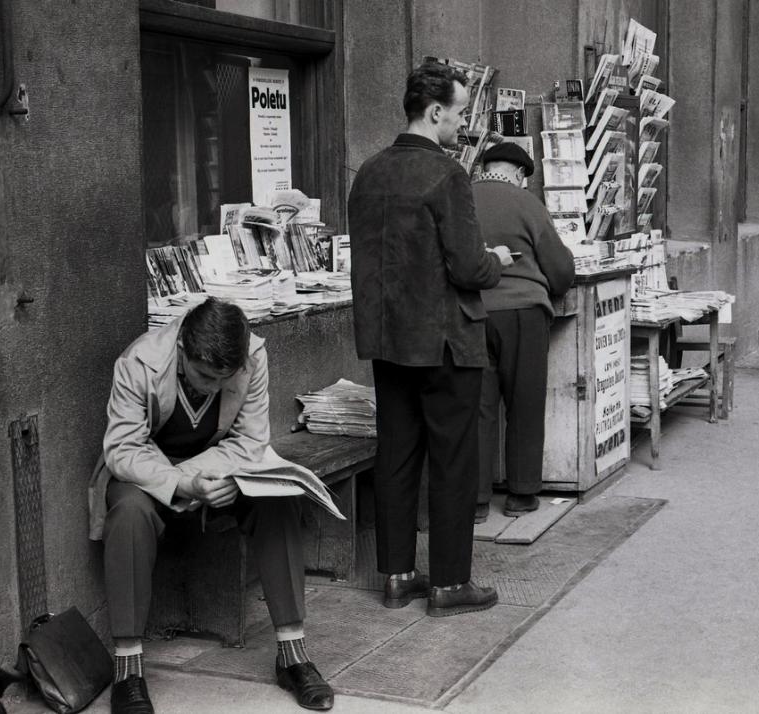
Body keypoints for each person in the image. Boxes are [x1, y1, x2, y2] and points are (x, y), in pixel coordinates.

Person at [87, 297, 334, 713]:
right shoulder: (138, 362)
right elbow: (122, 450)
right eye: (204, 375)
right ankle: (128, 669)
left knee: (280, 502)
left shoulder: (252, 355)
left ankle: (293, 656)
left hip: (221, 472)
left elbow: (250, 441)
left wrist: (214, 480)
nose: (215, 387)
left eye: (226, 378)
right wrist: (186, 483)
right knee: (128, 514)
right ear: (183, 347)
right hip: (147, 476)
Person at [348, 62, 513, 617]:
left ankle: (396, 574)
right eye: (461, 112)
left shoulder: (367, 173)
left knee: (395, 456)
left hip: (390, 342)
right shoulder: (448, 175)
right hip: (444, 341)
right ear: (435, 111)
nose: (463, 124)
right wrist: (498, 261)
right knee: (453, 461)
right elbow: (467, 268)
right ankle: (448, 583)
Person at [471, 142, 575, 521]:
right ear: (519, 174)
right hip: (523, 315)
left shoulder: (462, 199)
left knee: (477, 409)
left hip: (472, 314)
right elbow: (560, 271)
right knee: (525, 404)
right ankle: (521, 495)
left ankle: (477, 500)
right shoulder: (528, 204)